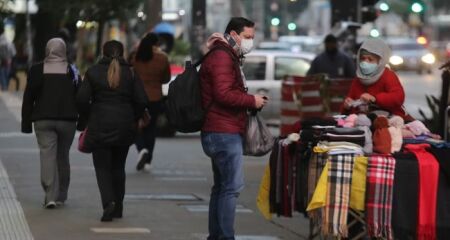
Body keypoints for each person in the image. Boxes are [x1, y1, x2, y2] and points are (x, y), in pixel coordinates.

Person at [199, 17, 268, 240]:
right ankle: (225, 237)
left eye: (252, 37)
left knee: (221, 187)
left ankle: (217, 236)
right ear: (234, 34)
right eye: (247, 37)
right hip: (223, 131)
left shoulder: (226, 54)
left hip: (220, 129)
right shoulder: (222, 56)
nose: (250, 41)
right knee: (232, 187)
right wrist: (251, 101)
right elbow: (223, 94)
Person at [76, 40, 147, 222]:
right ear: (122, 53)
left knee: (102, 168)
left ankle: (108, 203)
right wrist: (133, 117)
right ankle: (118, 207)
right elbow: (141, 100)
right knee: (118, 167)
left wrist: (89, 116)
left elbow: (82, 100)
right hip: (124, 126)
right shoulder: (131, 73)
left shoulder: (93, 72)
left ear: (103, 53)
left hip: (99, 125)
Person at [21, 38, 80, 209]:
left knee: (47, 155)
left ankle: (49, 195)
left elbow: (28, 98)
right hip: (68, 121)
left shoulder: (37, 70)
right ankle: (61, 195)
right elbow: (81, 97)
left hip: (43, 120)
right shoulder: (72, 70)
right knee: (62, 156)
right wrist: (83, 121)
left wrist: (26, 124)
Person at [342, 38, 413, 121]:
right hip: (363, 123)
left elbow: (398, 97)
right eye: (363, 58)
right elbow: (348, 111)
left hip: (390, 121)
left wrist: (375, 99)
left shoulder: (388, 75)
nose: (365, 62)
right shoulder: (358, 80)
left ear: (380, 61)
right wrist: (347, 106)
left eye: (370, 59)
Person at [132, 32, 171, 171]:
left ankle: (141, 149)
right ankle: (148, 161)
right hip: (155, 97)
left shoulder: (135, 56)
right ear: (157, 44)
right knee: (151, 128)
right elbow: (166, 78)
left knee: (135, 125)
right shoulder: (162, 58)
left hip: (136, 97)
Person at [0, 22, 16, 91]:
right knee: (7, 74)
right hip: (8, 61)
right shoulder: (9, 40)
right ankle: (5, 87)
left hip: (2, 61)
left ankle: (4, 87)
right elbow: (14, 52)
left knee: (2, 74)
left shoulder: (1, 40)